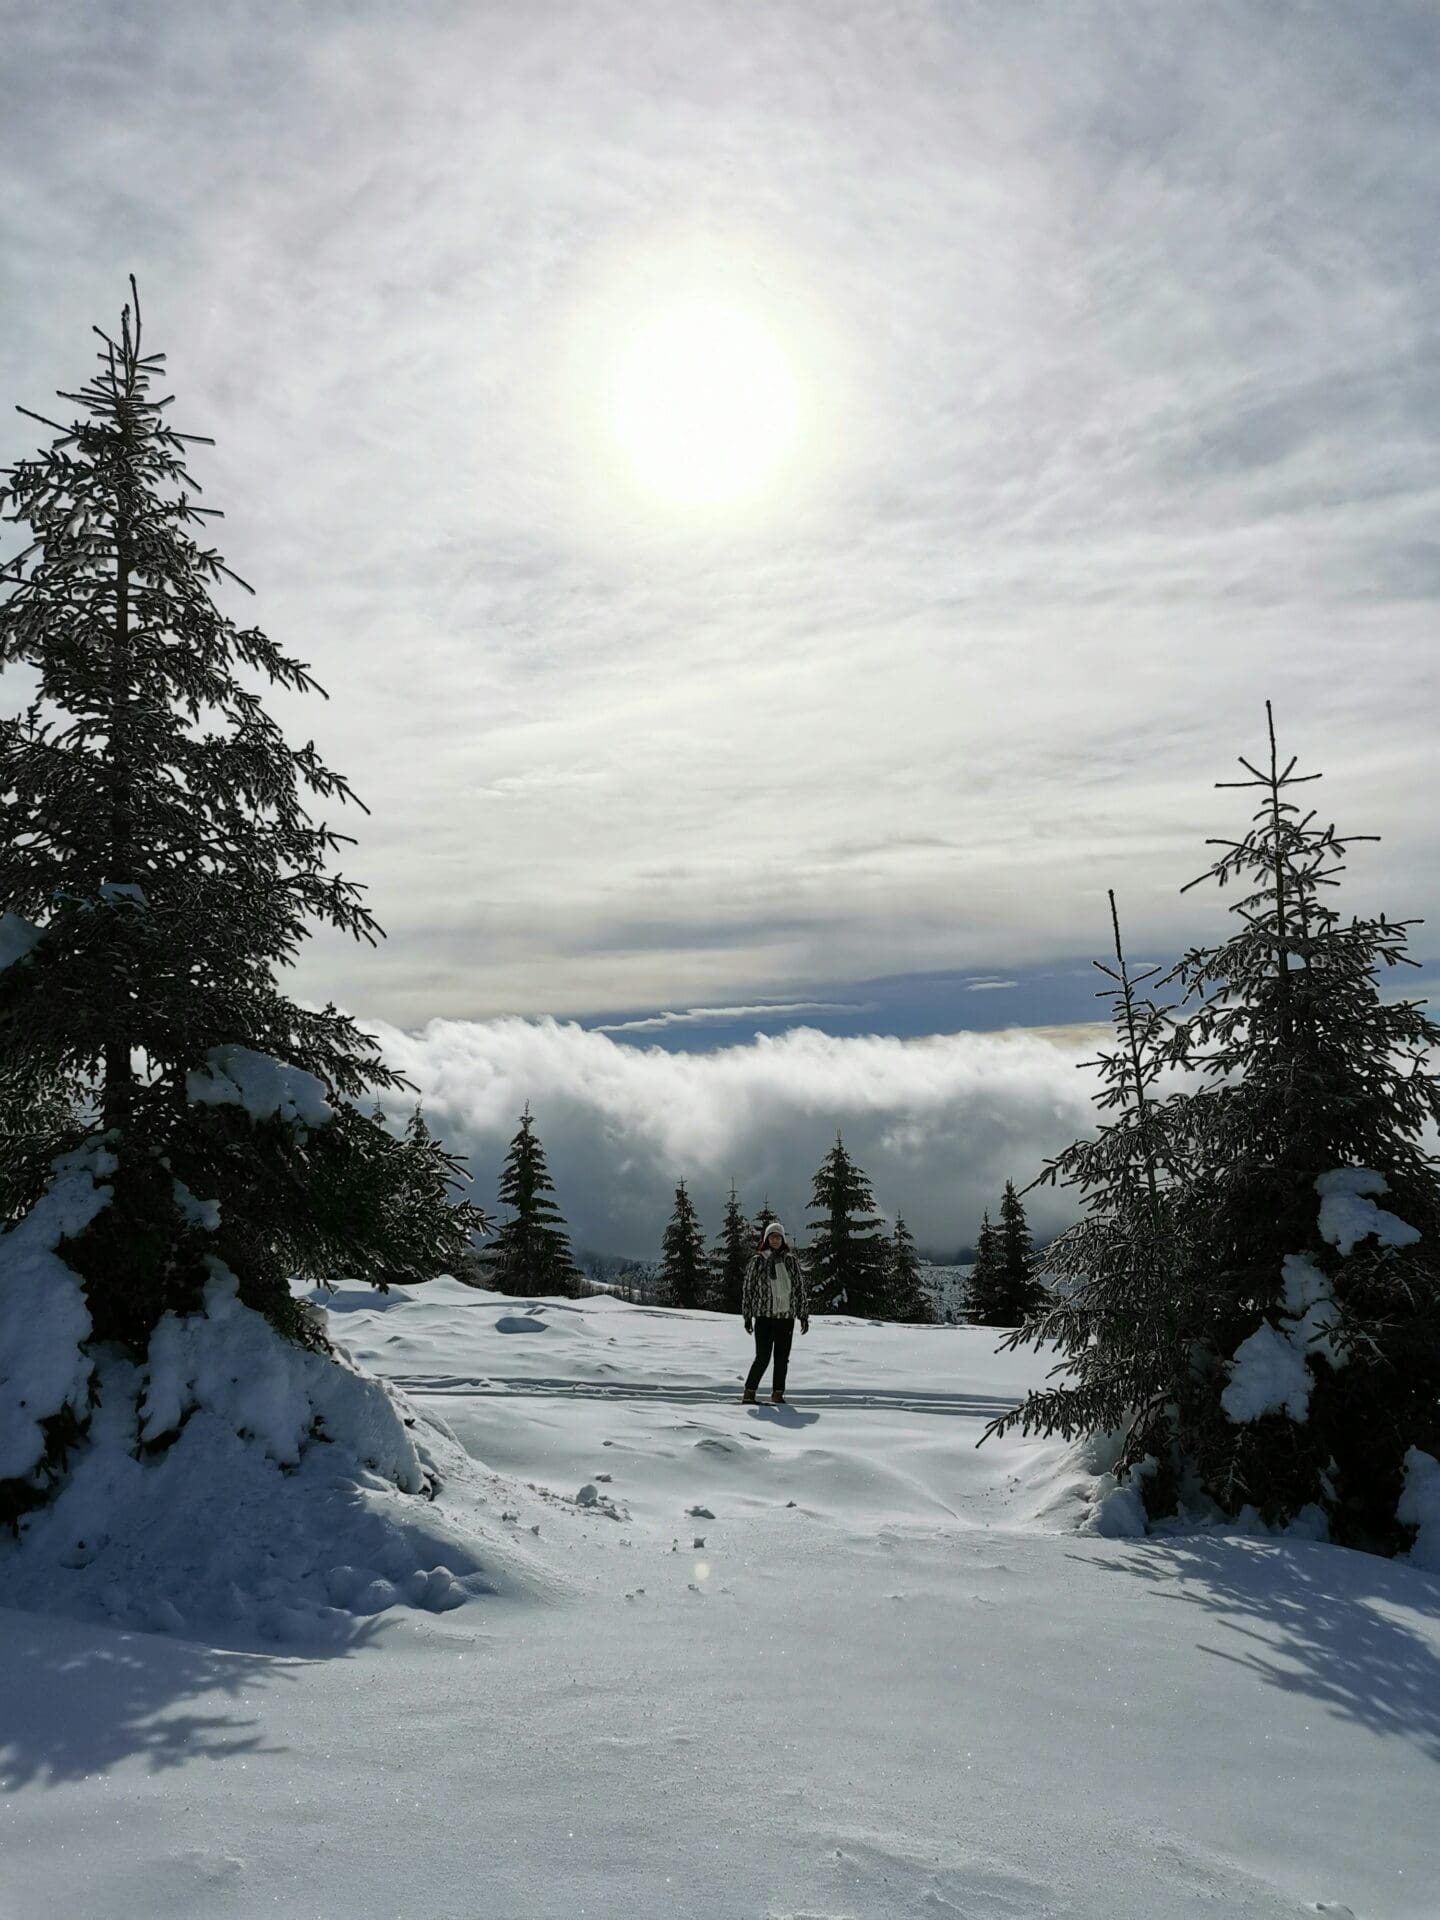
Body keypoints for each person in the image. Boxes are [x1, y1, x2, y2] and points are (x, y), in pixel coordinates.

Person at [740, 1220, 810, 1405]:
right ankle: (749, 1391)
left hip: (785, 1317)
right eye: (772, 1237)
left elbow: (799, 1288)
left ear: (783, 1239)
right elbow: (748, 1289)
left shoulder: (790, 1261)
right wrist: (747, 1316)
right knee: (762, 1357)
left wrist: (803, 1315)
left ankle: (778, 1393)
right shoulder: (757, 1261)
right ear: (766, 1239)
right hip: (763, 1316)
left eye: (778, 1237)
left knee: (782, 1359)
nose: (775, 1240)